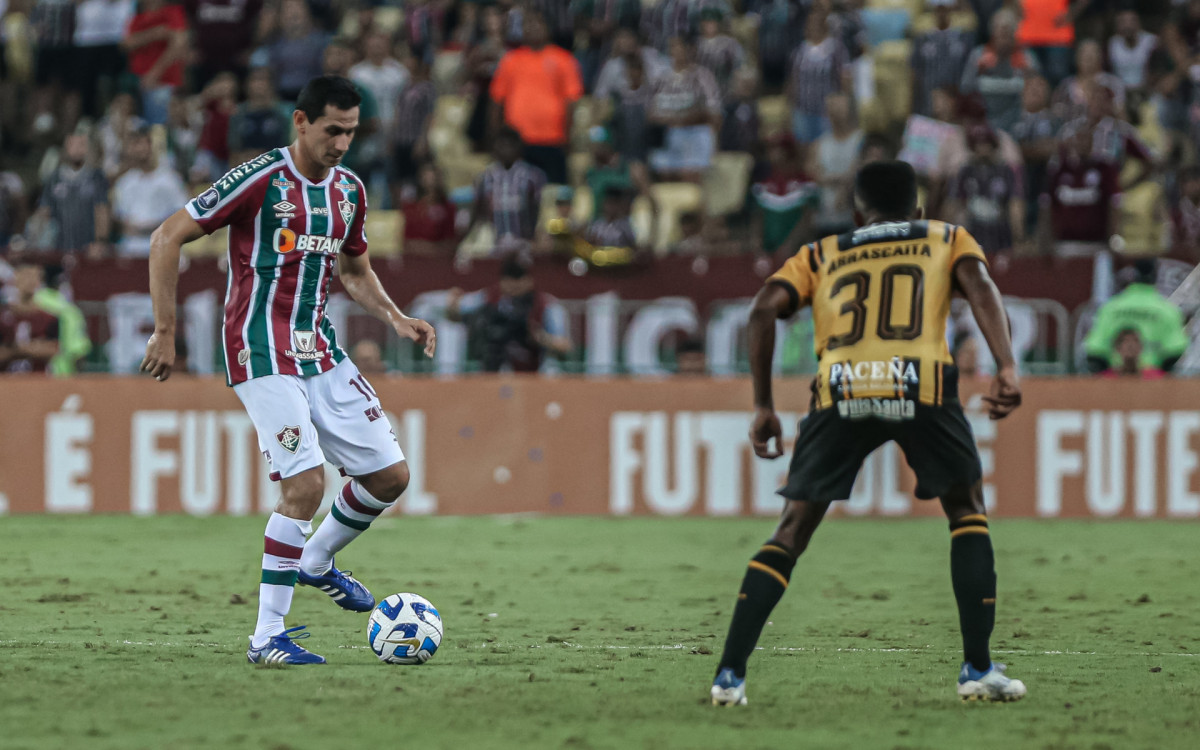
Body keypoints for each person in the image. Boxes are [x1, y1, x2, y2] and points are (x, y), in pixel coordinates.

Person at [139, 75, 438, 666]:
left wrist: (396, 316)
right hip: (259, 346)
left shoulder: (349, 190)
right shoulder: (259, 179)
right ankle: (265, 637)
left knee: (390, 477)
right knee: (304, 486)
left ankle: (315, 560)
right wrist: (166, 330)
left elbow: (354, 272)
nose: (343, 143)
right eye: (333, 130)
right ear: (301, 122)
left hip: (319, 347)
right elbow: (166, 237)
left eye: (351, 132)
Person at [710, 160, 1026, 706]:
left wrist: (762, 404)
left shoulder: (823, 252)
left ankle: (728, 677)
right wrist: (1005, 366)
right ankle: (977, 669)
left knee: (792, 529)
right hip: (919, 383)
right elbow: (979, 284)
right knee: (966, 509)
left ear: (857, 212)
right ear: (919, 209)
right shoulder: (945, 237)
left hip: (841, 388)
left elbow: (762, 308)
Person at [488, 11, 583, 185]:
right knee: (519, 191)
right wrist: (496, 138)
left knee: (555, 192)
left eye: (537, 24)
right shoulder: (511, 60)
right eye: (528, 25)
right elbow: (497, 101)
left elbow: (571, 101)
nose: (532, 29)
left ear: (548, 29)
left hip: (553, 139)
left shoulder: (564, 60)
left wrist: (567, 136)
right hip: (518, 142)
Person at [445, 256, 570, 372]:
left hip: (536, 365)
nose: (514, 285)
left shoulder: (546, 305)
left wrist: (539, 337)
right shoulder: (489, 297)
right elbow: (456, 313)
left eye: (519, 278)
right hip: (498, 361)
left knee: (552, 371)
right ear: (502, 281)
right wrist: (452, 304)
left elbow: (565, 346)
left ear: (529, 280)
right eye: (509, 279)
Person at [1084, 259, 1188, 374]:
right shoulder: (1168, 310)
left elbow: (1095, 348)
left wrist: (1111, 373)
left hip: (1114, 380)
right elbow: (1176, 349)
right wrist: (1156, 372)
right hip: (1154, 383)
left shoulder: (1110, 308)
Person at [648, 35, 722, 181]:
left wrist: (680, 120)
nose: (674, 51)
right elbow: (650, 114)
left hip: (694, 136)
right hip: (665, 136)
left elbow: (714, 115)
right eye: (672, 47)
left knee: (692, 172)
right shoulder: (660, 78)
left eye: (678, 46)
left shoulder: (702, 76)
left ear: (690, 49)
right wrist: (677, 120)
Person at [947, 125, 1024, 261]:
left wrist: (1018, 236)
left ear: (994, 145)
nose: (982, 149)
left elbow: (1015, 204)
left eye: (986, 144)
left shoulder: (1005, 171)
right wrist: (948, 237)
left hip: (1000, 233)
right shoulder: (965, 172)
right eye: (978, 144)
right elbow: (953, 204)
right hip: (972, 231)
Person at [466, 128, 547, 251]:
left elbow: (540, 208)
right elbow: (477, 209)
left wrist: (536, 235)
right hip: (493, 244)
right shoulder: (485, 177)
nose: (506, 150)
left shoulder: (532, 176)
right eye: (502, 145)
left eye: (510, 145)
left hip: (524, 243)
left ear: (518, 147)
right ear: (495, 147)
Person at [112, 129, 190, 258]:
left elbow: (183, 214)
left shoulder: (171, 180)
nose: (141, 150)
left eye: (145, 145)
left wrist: (154, 227)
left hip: (164, 245)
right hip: (132, 248)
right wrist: (130, 227)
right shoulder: (124, 183)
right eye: (137, 145)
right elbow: (119, 217)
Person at [961, 9, 1040, 134]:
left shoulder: (1027, 58)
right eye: (1000, 32)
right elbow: (965, 87)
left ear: (1015, 33)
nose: (1004, 37)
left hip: (1018, 122)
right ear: (993, 33)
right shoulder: (978, 55)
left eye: (1008, 32)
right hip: (983, 118)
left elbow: (1037, 93)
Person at [31, 133, 111, 256]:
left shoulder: (96, 177)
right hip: (59, 248)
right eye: (72, 145)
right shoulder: (54, 178)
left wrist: (100, 242)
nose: (77, 149)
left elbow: (101, 210)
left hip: (88, 249)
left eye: (81, 145)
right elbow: (44, 212)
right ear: (65, 149)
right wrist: (34, 241)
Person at [787, 11, 851, 145]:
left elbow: (844, 77)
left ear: (824, 25)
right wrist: (790, 106)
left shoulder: (835, 48)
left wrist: (844, 103)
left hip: (826, 111)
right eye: (811, 23)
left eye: (817, 23)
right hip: (803, 109)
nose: (814, 26)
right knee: (803, 145)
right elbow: (793, 78)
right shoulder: (800, 50)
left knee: (825, 146)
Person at [122, 0, 189, 125]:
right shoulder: (137, 17)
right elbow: (126, 44)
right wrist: (154, 33)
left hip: (164, 81)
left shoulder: (172, 12)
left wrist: (155, 73)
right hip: (138, 81)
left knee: (159, 126)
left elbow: (179, 43)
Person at [910, 0, 974, 118]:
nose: (941, 13)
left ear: (950, 9)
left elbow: (968, 73)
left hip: (956, 102)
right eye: (939, 9)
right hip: (927, 102)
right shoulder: (922, 40)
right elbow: (916, 74)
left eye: (944, 9)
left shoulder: (963, 39)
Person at [0, 259, 60, 374]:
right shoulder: (3, 317)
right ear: (15, 279)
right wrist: (22, 350)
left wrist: (17, 349)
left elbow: (53, 349)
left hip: (37, 382)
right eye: (26, 276)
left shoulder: (49, 318)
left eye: (35, 277)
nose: (30, 281)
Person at [227, 68, 292, 167]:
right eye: (255, 80)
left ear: (272, 85)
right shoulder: (237, 114)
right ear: (246, 85)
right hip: (245, 167)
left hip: (277, 166)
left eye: (263, 80)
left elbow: (290, 148)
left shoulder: (285, 113)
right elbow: (234, 150)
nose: (258, 84)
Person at [402, 162, 458, 257]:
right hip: (415, 262)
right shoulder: (411, 208)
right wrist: (430, 249)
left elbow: (450, 243)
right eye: (427, 179)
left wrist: (432, 250)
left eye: (434, 179)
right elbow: (407, 243)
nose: (431, 183)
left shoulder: (448, 208)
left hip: (440, 261)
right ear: (420, 180)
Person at [1099, 329, 1166, 379]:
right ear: (1117, 348)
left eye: (1135, 340)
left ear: (1141, 347)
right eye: (1126, 341)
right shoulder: (1106, 378)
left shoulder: (1156, 376)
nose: (1130, 345)